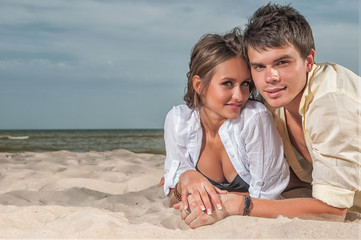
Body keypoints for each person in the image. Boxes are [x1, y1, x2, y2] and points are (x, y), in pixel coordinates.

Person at [176, 3, 361, 229]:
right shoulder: (276, 103)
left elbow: (333, 213)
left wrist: (240, 206)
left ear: (309, 61)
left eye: (281, 62)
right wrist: (185, 177)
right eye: (259, 66)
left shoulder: (330, 104)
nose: (270, 77)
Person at [163, 28, 290, 215]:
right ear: (199, 85)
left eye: (245, 84)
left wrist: (214, 199)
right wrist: (186, 178)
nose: (239, 96)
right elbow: (172, 197)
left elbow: (267, 198)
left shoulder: (255, 118)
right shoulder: (178, 120)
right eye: (227, 83)